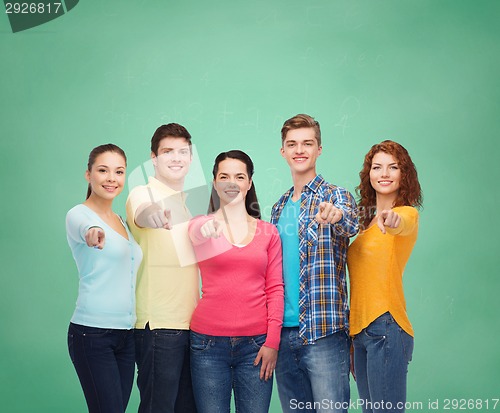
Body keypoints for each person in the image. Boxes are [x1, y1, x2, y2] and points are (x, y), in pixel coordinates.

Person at [270, 114, 358, 413]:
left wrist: (335, 215)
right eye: (292, 144)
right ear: (282, 151)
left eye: (307, 143)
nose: (299, 150)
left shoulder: (335, 196)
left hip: (324, 333)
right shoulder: (278, 207)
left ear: (319, 149)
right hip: (282, 334)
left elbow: (349, 222)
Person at [188, 150, 284, 413]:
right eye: (224, 176)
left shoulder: (269, 232)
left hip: (256, 346)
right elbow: (194, 232)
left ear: (249, 182)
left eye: (239, 176)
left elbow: (275, 288)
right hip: (207, 345)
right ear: (215, 182)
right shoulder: (201, 224)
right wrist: (205, 229)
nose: (232, 183)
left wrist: (272, 342)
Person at [125, 124, 199, 413]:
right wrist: (154, 215)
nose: (176, 158)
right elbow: (144, 213)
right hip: (158, 326)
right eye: (168, 151)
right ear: (153, 158)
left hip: (195, 326)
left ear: (191, 158)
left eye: (183, 151)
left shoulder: (196, 201)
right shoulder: (142, 193)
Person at [66, 144, 143, 413]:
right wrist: (93, 231)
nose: (112, 178)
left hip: (126, 336)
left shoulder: (122, 222)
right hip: (92, 334)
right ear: (88, 175)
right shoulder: (79, 214)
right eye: (103, 170)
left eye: (119, 171)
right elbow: (86, 228)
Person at [347, 140, 422, 413]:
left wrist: (391, 220)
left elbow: (402, 224)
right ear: (369, 174)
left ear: (404, 174)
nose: (385, 173)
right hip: (360, 333)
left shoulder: (405, 214)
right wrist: (354, 338)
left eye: (393, 167)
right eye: (377, 167)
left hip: (387, 326)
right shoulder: (362, 222)